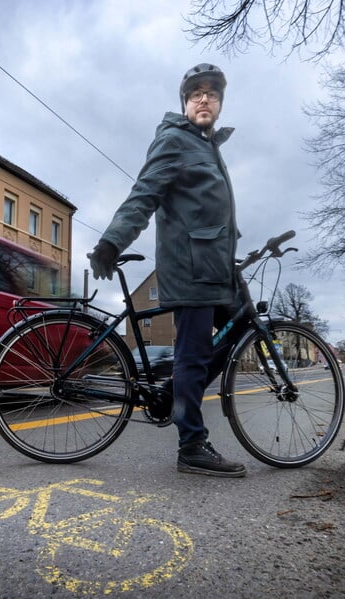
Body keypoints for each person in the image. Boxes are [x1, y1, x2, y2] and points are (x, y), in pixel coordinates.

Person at [88, 63, 246, 478]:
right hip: (190, 268)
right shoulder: (176, 140)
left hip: (215, 267)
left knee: (241, 329)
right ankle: (191, 444)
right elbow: (145, 193)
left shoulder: (208, 146)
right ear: (184, 102)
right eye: (195, 93)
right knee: (193, 358)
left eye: (212, 93)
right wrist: (111, 242)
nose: (204, 98)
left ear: (220, 103)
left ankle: (175, 393)